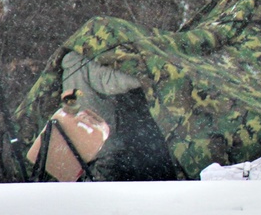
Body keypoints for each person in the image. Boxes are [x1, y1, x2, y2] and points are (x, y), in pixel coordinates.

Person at [60, 51, 179, 181]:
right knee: (106, 174)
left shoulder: (70, 69)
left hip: (83, 138)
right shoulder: (82, 64)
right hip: (102, 141)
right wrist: (147, 77)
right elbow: (109, 80)